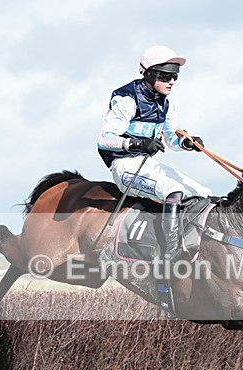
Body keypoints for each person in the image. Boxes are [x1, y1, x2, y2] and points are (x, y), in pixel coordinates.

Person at [97, 45, 212, 262]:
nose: (172, 82)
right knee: (173, 191)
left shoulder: (166, 104)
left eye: (175, 77)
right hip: (124, 167)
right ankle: (170, 256)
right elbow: (103, 139)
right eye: (166, 76)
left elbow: (171, 140)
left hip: (147, 165)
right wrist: (137, 143)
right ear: (149, 74)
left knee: (203, 193)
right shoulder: (126, 99)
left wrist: (188, 143)